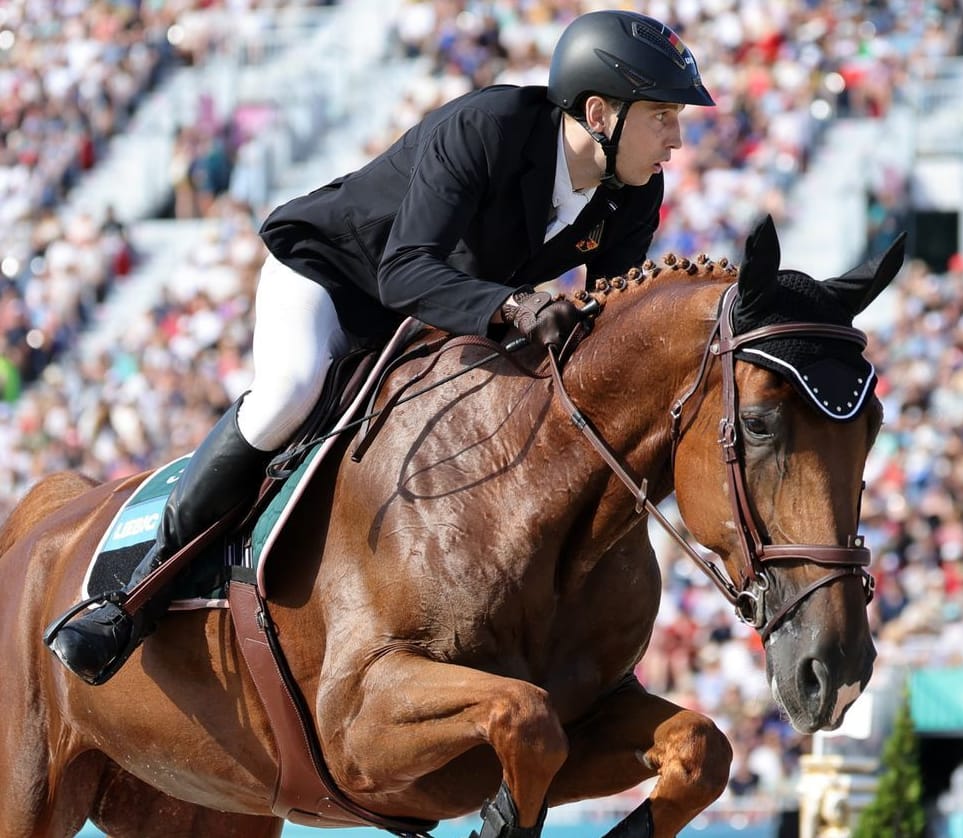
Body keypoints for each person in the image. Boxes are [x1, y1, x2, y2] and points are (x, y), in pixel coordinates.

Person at [47, 9, 715, 686]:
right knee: (288, 395)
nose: (678, 138)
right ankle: (133, 596)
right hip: (336, 279)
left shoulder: (633, 195)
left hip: (438, 319)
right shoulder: (489, 128)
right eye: (662, 115)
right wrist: (511, 305)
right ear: (599, 112)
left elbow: (605, 323)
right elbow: (402, 270)